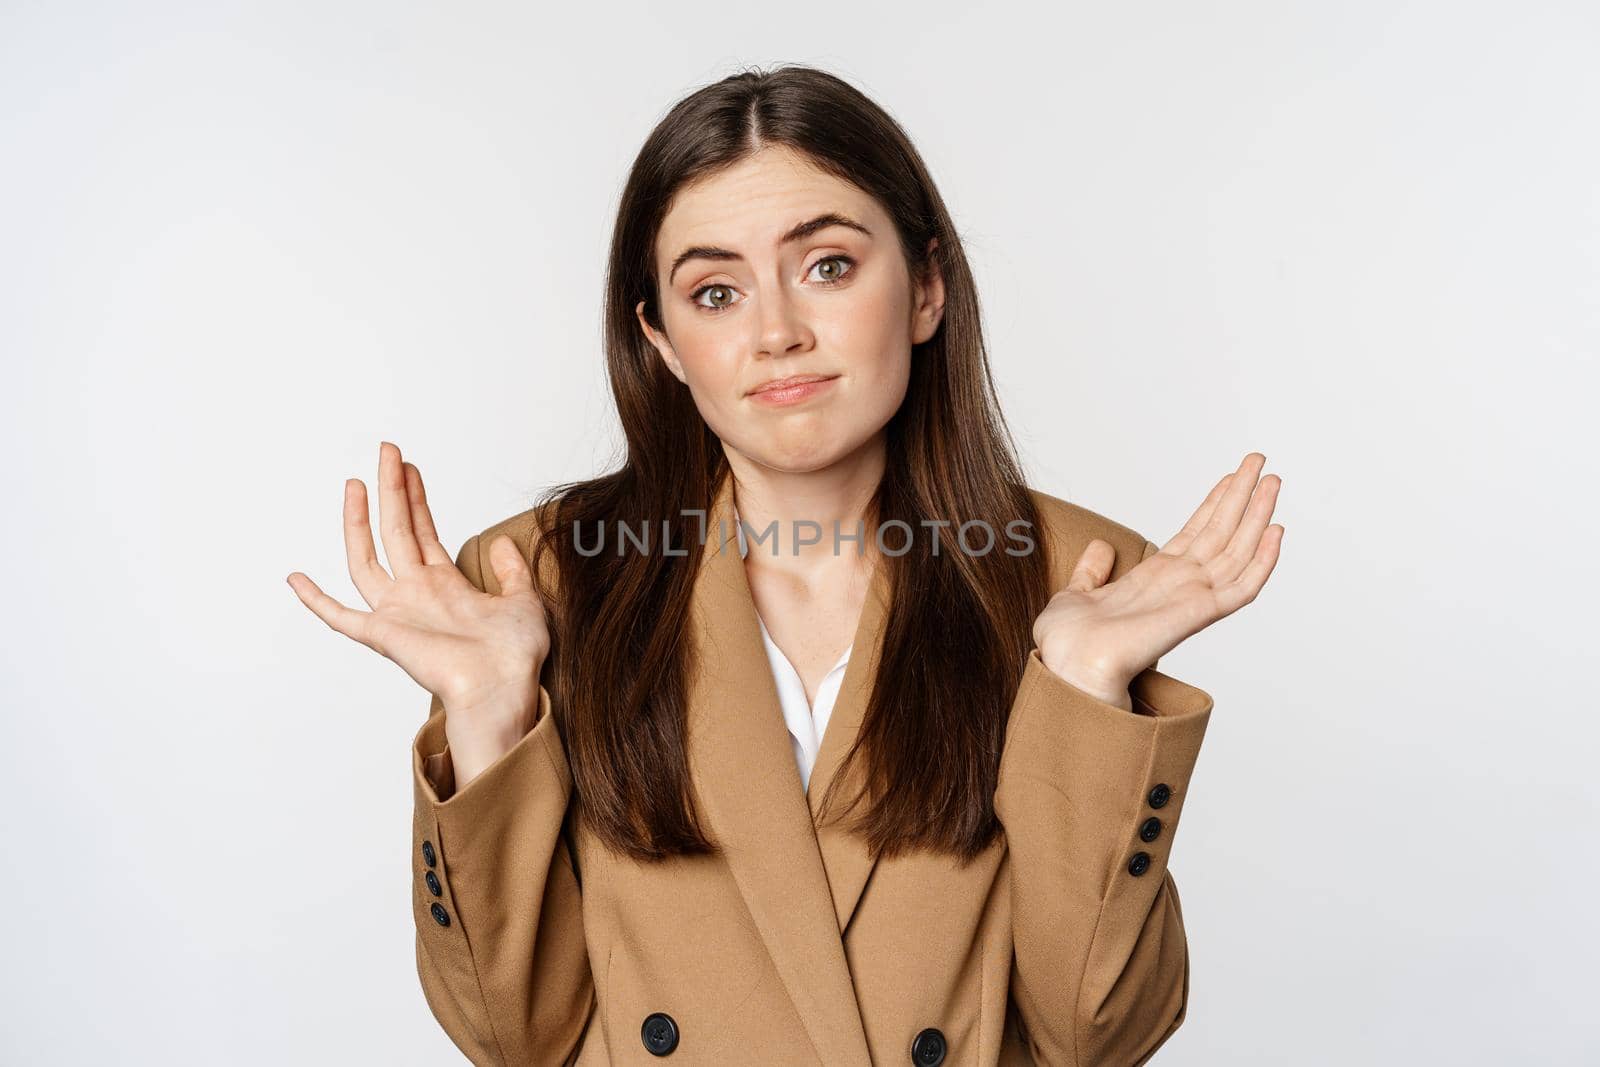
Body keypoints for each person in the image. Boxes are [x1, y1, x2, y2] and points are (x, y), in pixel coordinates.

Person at [288, 64, 1282, 1067]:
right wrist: (486, 714)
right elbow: (508, 1034)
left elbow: (1094, 1034)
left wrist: (1079, 694)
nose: (776, 333)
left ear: (926, 288)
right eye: (714, 292)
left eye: (828, 267)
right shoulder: (542, 583)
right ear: (663, 341)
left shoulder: (1075, 579)